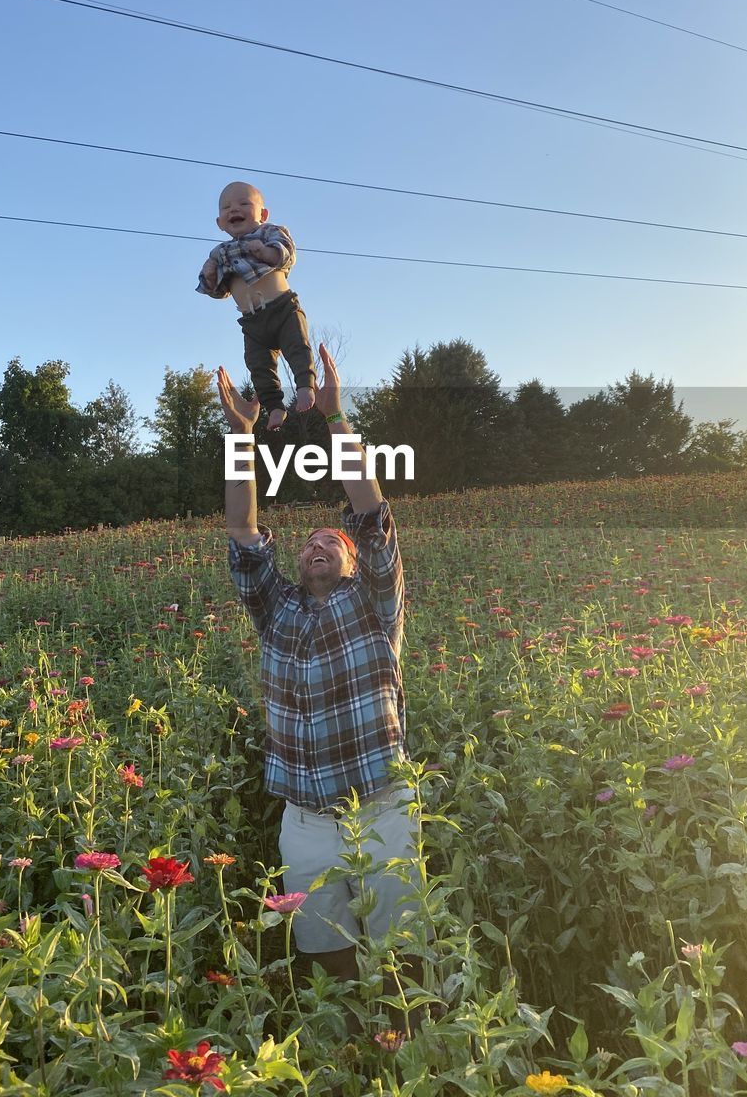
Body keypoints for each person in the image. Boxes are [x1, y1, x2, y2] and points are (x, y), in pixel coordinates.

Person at [218, 345, 418, 1003]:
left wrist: (336, 420)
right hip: (304, 819)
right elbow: (245, 528)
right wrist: (242, 438)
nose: (318, 542)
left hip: (381, 808)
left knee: (399, 955)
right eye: (308, 542)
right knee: (325, 948)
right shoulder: (276, 610)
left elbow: (370, 513)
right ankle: (352, 1048)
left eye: (334, 541)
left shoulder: (373, 607)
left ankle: (404, 1048)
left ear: (358, 565)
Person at [199, 182, 316, 430]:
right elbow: (219, 292)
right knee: (257, 364)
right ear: (220, 222)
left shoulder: (269, 232)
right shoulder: (219, 253)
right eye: (226, 207)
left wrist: (266, 252)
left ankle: (305, 385)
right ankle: (274, 406)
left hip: (282, 308)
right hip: (252, 321)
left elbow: (287, 255)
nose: (234, 210)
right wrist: (210, 276)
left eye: (243, 204)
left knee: (297, 346)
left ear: (262, 214)